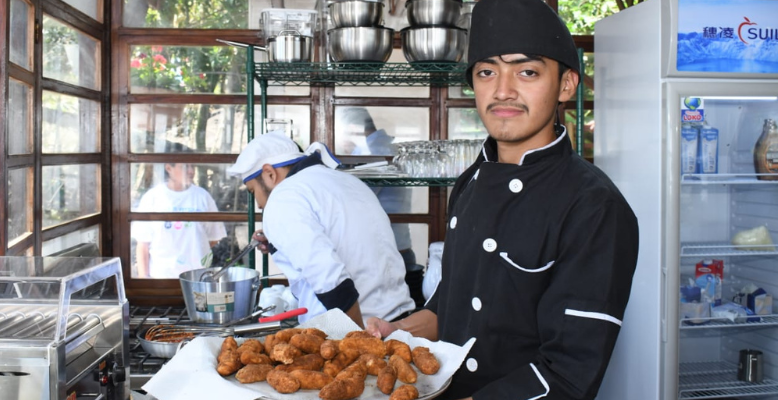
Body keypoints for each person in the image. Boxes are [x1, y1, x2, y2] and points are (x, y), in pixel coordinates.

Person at [365, 0, 640, 399]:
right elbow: (451, 309)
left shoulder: (594, 207)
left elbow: (568, 373)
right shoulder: (471, 183)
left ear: (566, 85)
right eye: (486, 72)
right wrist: (400, 331)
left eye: (527, 72)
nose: (503, 91)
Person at [227, 131, 416, 328]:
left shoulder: (282, 198)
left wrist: (358, 341)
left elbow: (329, 278)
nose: (258, 204)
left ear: (269, 173)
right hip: (397, 319)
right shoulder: (346, 180)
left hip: (354, 329)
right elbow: (345, 235)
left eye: (253, 191)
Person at [341, 107, 426, 308]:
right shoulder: (380, 147)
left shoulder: (374, 151)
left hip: (384, 254)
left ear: (353, 128)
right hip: (397, 246)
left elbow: (357, 197)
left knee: (385, 319)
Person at [132, 142, 227, 279]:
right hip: (161, 278)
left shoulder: (202, 197)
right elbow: (143, 244)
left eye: (192, 165)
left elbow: (213, 238)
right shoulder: (153, 198)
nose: (191, 171)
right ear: (168, 168)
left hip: (197, 278)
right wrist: (144, 278)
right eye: (185, 166)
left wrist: (193, 253)